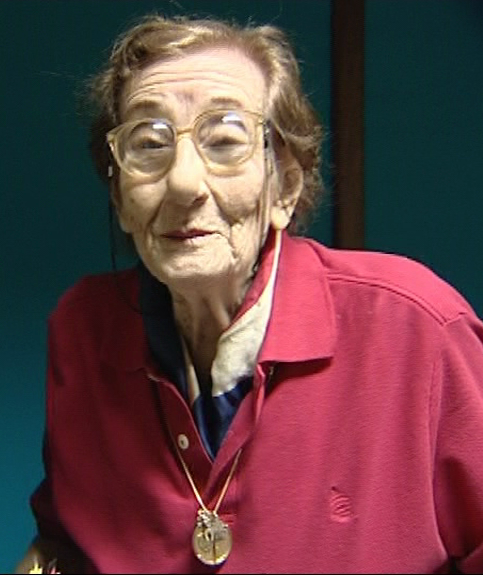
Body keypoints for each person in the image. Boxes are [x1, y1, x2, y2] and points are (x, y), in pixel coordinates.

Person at [15, 12, 483, 575]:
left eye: (224, 141)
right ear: (120, 198)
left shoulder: (418, 327)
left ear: (285, 186)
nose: (183, 183)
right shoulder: (84, 330)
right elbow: (62, 545)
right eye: (149, 144)